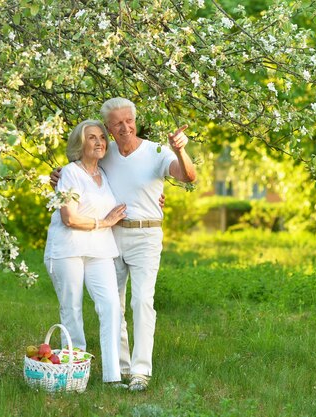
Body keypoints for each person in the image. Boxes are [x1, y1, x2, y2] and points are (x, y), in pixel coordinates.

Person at [51, 97, 196, 391]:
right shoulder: (107, 151)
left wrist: (180, 151)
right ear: (109, 127)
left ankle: (141, 373)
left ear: (135, 120)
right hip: (112, 236)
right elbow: (81, 173)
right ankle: (120, 368)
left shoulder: (157, 151)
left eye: (129, 120)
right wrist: (57, 177)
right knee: (113, 305)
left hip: (146, 235)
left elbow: (188, 176)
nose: (125, 127)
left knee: (142, 301)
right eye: (117, 123)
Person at [43, 119, 127, 387]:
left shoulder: (106, 175)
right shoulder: (69, 172)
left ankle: (112, 377)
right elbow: (69, 218)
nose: (99, 141)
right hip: (67, 249)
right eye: (92, 137)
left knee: (111, 306)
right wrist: (105, 223)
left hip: (100, 249)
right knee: (72, 309)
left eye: (102, 137)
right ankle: (75, 372)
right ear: (80, 144)